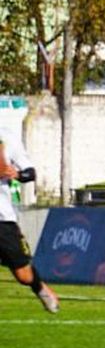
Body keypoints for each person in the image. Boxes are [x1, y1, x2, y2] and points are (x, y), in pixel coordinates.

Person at [0, 130, 60, 313]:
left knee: (23, 275)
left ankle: (40, 288)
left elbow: (30, 173)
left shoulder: (7, 139)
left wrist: (16, 174)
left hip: (2, 219)